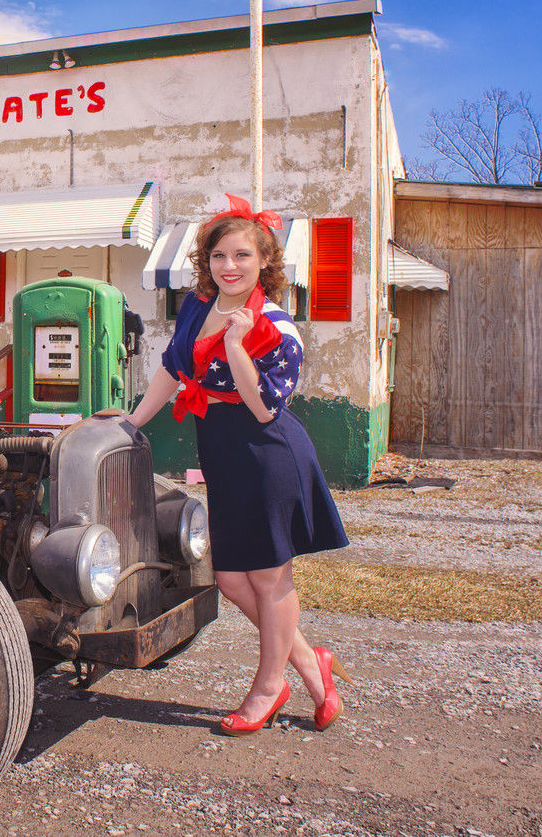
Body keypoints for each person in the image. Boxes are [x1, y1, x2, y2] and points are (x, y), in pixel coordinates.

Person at [126, 194, 351, 735]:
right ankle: (309, 663)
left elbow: (262, 407)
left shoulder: (277, 329)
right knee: (229, 578)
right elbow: (174, 370)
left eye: (243, 256)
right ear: (207, 262)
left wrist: (237, 348)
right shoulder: (197, 308)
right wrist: (131, 424)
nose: (230, 267)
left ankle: (269, 687)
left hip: (269, 455)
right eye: (220, 256)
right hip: (223, 456)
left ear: (264, 263)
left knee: (271, 578)